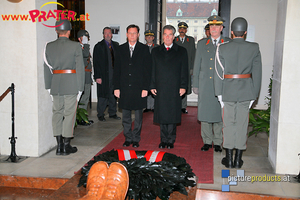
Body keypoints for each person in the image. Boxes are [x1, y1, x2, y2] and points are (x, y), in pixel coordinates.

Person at [214, 17, 262, 168]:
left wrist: (219, 94)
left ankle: (228, 159)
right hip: (246, 91)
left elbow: (218, 72)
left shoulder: (222, 47)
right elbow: (258, 73)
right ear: (246, 32)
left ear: (232, 32)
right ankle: (238, 159)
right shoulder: (254, 47)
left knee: (228, 124)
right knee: (242, 124)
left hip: (227, 90)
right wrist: (254, 95)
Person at [44, 19, 85, 155]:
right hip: (71, 84)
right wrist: (80, 87)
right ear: (69, 31)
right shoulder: (75, 46)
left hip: (55, 84)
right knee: (69, 114)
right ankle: (66, 146)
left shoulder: (48, 46)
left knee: (57, 113)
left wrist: (48, 86)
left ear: (56, 31)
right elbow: (79, 68)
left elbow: (47, 68)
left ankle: (59, 145)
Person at [192, 15, 231, 153]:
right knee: (205, 114)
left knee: (219, 113)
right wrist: (195, 83)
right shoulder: (202, 44)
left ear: (221, 28)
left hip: (222, 84)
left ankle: (218, 142)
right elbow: (197, 65)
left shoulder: (227, 43)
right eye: (211, 26)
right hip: (205, 84)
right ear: (209, 29)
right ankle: (207, 141)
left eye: (217, 26)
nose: (214, 28)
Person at [150, 25, 189, 149]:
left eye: (170, 35)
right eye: (165, 34)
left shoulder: (181, 51)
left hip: (175, 88)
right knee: (162, 114)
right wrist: (152, 85)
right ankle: (163, 139)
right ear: (162, 36)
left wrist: (183, 86)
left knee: (172, 114)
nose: (167, 37)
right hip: (160, 87)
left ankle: (171, 139)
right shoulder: (156, 51)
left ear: (174, 36)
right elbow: (152, 70)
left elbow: (185, 70)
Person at [113, 24, 152, 148]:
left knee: (139, 116)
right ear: (126, 34)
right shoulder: (120, 49)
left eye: (135, 33)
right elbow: (116, 70)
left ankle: (136, 138)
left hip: (139, 88)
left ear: (138, 35)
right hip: (124, 88)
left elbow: (147, 70)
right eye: (130, 33)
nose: (132, 35)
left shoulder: (144, 49)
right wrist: (116, 87)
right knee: (125, 116)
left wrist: (146, 88)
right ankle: (128, 137)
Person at [93, 27, 121, 122]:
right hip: (103, 75)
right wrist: (97, 76)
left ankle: (112, 113)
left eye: (109, 33)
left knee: (113, 94)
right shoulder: (99, 46)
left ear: (112, 35)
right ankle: (100, 114)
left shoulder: (116, 45)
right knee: (103, 95)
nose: (108, 35)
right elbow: (95, 63)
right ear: (103, 35)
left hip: (114, 74)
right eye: (106, 33)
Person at [174, 22, 196, 114]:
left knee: (184, 86)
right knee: (175, 86)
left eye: (184, 29)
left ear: (186, 30)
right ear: (178, 30)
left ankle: (183, 106)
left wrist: (192, 68)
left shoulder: (190, 40)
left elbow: (193, 54)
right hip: (175, 68)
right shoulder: (174, 40)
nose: (182, 30)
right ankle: (175, 106)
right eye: (180, 28)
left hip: (186, 67)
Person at [77, 29, 94, 125]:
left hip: (87, 76)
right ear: (79, 38)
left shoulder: (84, 47)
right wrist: (86, 45)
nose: (86, 40)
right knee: (82, 98)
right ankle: (80, 119)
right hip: (81, 76)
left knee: (86, 97)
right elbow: (85, 55)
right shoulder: (78, 47)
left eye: (87, 38)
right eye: (84, 38)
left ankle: (83, 117)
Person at [143, 29, 158, 113]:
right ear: (145, 38)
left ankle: (154, 106)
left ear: (153, 38)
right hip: (145, 71)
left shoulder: (157, 47)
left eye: (151, 36)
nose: (149, 38)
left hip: (155, 71)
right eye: (147, 36)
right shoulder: (142, 47)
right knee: (146, 88)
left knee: (154, 88)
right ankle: (148, 106)